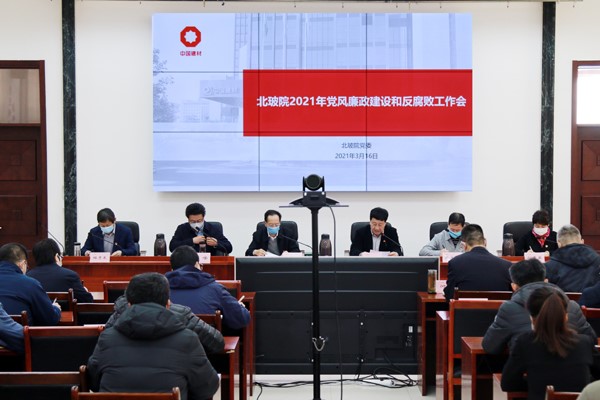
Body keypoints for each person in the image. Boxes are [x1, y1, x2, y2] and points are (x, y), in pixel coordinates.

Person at [87, 272, 219, 399]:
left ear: (129, 305)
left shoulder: (108, 338)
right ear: (168, 305)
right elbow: (207, 387)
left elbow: (93, 383)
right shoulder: (188, 340)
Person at [482, 259, 596, 354]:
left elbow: (490, 346)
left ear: (514, 286)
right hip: (572, 371)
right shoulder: (573, 306)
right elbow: (592, 341)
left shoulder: (509, 308)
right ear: (546, 281)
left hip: (527, 371)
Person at [500, 286, 596, 400]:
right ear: (566, 317)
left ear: (531, 318)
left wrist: (533, 384)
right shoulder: (585, 342)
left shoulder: (525, 342)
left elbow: (507, 383)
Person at [166, 245, 250, 330]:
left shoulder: (161, 289)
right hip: (204, 338)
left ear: (172, 269)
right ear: (197, 264)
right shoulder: (215, 289)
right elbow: (242, 319)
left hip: (169, 338)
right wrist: (239, 307)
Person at [443, 224, 512, 300]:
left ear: (464, 245)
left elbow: (449, 296)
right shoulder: (507, 266)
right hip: (499, 308)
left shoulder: (455, 263)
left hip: (466, 308)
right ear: (485, 242)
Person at [0, 243, 61, 326]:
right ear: (22, 264)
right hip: (19, 333)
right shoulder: (30, 284)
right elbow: (50, 319)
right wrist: (56, 308)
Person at [27, 238, 93, 303]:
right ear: (56, 256)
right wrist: (84, 291)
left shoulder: (28, 276)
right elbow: (87, 301)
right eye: (61, 256)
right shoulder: (70, 276)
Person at [545, 224, 600, 292]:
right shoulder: (597, 260)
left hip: (563, 298)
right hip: (591, 299)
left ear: (559, 243)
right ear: (582, 241)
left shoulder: (550, 265)